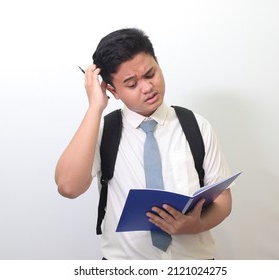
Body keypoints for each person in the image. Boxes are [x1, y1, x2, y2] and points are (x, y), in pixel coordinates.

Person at [55, 28, 232, 260]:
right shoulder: (103, 132)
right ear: (112, 90)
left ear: (157, 63)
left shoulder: (196, 126)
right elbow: (69, 187)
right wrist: (95, 108)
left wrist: (196, 225)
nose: (147, 87)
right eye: (131, 84)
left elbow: (223, 199)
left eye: (150, 74)